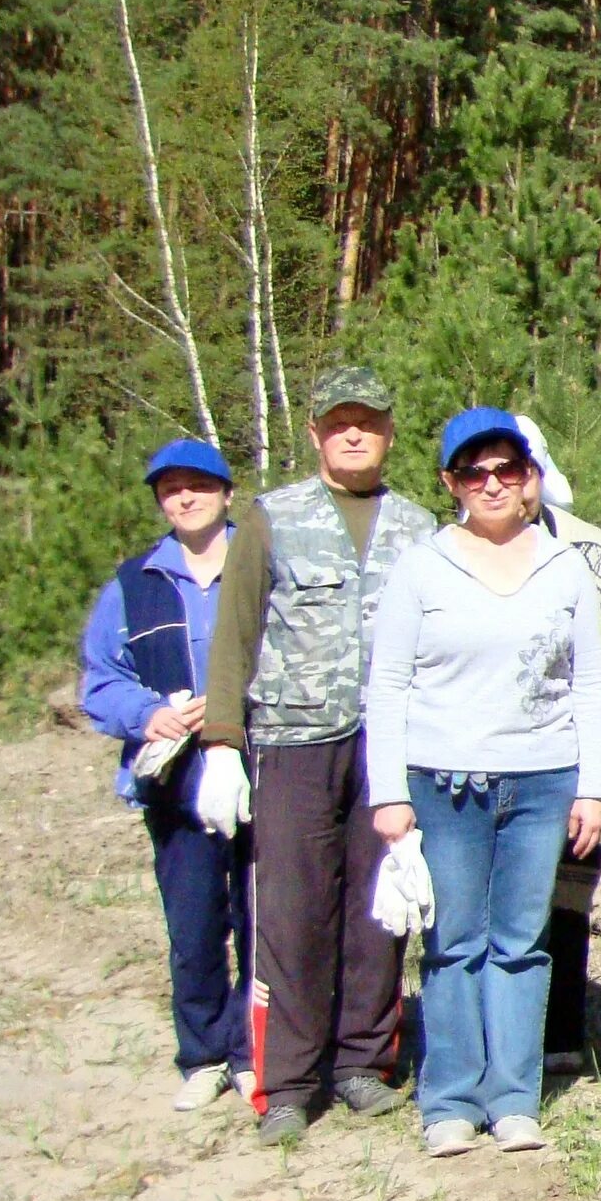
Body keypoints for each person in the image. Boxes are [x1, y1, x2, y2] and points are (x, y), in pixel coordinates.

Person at [197, 364, 440, 1144]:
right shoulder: (273, 518)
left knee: (379, 910)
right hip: (294, 741)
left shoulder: (419, 526)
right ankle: (290, 1081)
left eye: (368, 421)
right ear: (315, 433)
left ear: (390, 433)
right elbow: (233, 638)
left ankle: (364, 1061)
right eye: (340, 422)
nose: (354, 433)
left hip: (388, 742)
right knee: (293, 913)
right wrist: (222, 744)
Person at [364, 409, 601, 1156]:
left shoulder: (564, 564)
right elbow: (387, 683)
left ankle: (513, 1099)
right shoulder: (421, 566)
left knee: (522, 943)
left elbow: (590, 682)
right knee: (453, 943)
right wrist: (389, 792)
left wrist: (593, 786)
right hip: (443, 784)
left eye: (508, 469)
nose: (493, 483)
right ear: (451, 483)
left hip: (543, 782)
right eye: (475, 472)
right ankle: (449, 1101)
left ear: (531, 478)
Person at [80, 438, 252, 1112]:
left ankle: (251, 1051)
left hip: (262, 769)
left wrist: (242, 698)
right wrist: (147, 713)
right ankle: (204, 1054)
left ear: (227, 493)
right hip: (176, 781)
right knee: (195, 923)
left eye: (199, 486)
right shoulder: (133, 584)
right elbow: (100, 682)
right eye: (170, 488)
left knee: (263, 916)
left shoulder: (261, 568)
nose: (184, 497)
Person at [511, 414, 601, 1074]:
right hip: (485, 758)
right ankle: (501, 1041)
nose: (508, 485)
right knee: (498, 902)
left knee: (566, 898)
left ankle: (561, 1035)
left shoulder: (586, 547)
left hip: (575, 758)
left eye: (522, 469)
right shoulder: (444, 549)